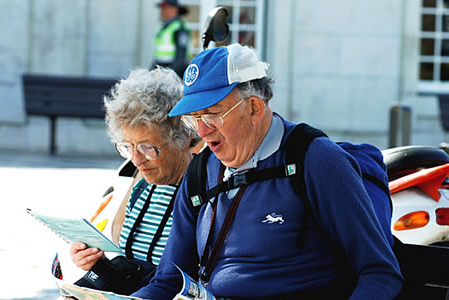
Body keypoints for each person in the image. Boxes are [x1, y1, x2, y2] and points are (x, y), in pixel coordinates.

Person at [133, 43, 403, 300]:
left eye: (213, 113)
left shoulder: (315, 160)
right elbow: (167, 282)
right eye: (195, 118)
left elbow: (379, 272)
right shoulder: (201, 170)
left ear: (253, 108)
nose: (202, 131)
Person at [69, 67, 201, 294]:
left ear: (181, 138)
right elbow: (129, 261)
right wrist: (93, 261)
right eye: (128, 146)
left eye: (147, 147)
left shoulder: (203, 189)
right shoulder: (142, 186)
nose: (136, 159)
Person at [152, 0, 191, 78]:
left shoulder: (180, 27)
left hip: (173, 71)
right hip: (161, 68)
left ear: (175, 9)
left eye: (166, 8)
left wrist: (169, 75)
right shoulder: (163, 26)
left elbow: (181, 57)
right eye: (162, 8)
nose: (163, 11)